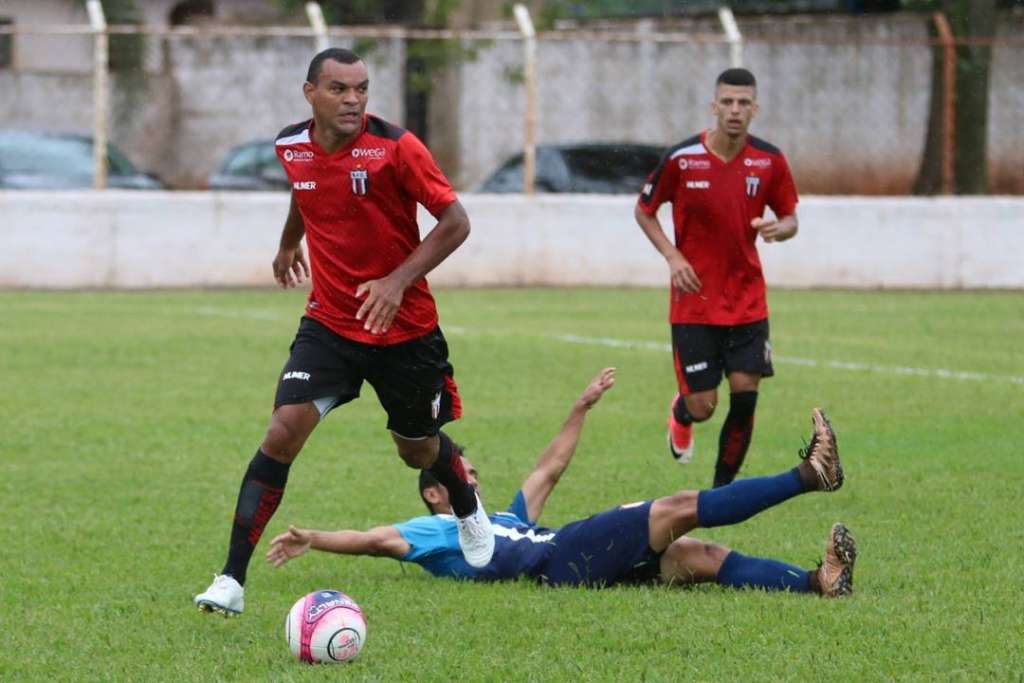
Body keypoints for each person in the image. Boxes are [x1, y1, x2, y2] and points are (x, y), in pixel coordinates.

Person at [195, 47, 493, 616]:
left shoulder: (396, 148)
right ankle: (231, 579)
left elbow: (457, 223)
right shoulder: (291, 145)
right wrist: (289, 242)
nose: (353, 99)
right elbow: (304, 187)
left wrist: (397, 281)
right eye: (339, 89)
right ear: (310, 93)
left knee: (418, 450)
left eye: (361, 89)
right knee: (282, 432)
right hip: (330, 323)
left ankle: (465, 504)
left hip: (404, 330)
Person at [267, 369, 856, 598]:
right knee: (677, 508)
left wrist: (579, 407)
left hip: (571, 559)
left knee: (696, 555)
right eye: (461, 475)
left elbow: (548, 468)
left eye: (471, 472)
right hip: (567, 558)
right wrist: (314, 537)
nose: (472, 479)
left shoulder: (501, 522)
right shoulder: (437, 532)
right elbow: (373, 539)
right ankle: (810, 474)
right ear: (435, 491)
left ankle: (818, 582)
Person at [634, 67, 800, 487]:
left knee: (745, 399)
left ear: (754, 109)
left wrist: (783, 228)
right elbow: (644, 210)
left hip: (747, 302)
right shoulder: (682, 158)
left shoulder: (770, 161)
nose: (735, 110)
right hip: (694, 304)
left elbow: (790, 217)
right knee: (704, 405)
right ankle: (682, 413)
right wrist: (673, 257)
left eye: (743, 103)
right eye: (727, 101)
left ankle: (720, 495)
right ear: (714, 106)